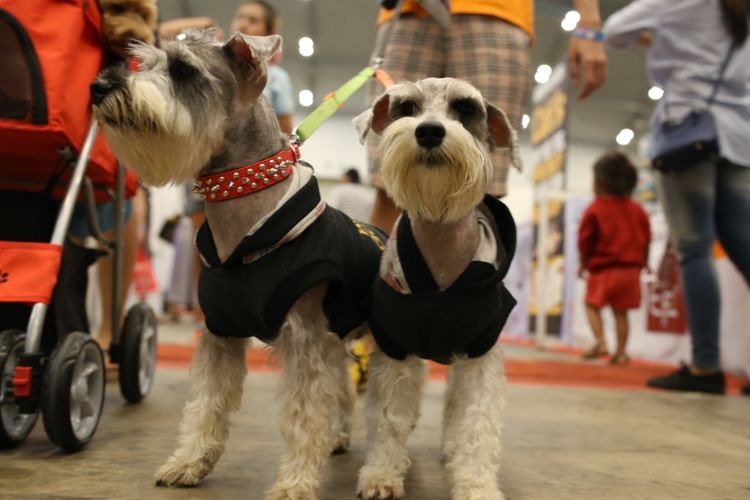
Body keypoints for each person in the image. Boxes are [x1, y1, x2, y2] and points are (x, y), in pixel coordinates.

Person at [604, 0, 750, 394]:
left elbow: (615, 29)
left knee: (695, 250)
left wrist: (660, 37)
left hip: (690, 131)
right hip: (740, 135)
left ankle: (705, 366)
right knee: (746, 249)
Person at [366, 0, 608, 233]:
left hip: (497, 12)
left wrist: (590, 24)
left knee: (484, 192)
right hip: (407, 12)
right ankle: (379, 274)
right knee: (388, 187)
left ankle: (481, 274)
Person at [578, 152, 651, 366]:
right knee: (622, 314)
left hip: (604, 270)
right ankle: (620, 353)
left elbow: (586, 241)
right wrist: (644, 262)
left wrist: (583, 264)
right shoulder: (638, 209)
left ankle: (600, 341)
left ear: (599, 181)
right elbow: (646, 239)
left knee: (591, 305)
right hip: (630, 272)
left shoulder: (595, 208)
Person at [230, 0, 295, 135]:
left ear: (268, 32)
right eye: (240, 17)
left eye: (253, 20)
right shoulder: (214, 66)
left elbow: (285, 131)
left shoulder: (278, 78)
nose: (243, 24)